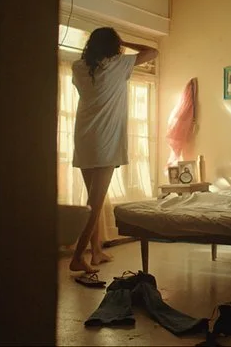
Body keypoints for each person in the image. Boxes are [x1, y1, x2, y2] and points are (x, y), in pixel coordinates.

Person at [69, 27, 158, 278]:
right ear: (114, 46)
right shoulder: (118, 64)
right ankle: (77, 257)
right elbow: (153, 51)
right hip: (105, 141)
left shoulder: (78, 67)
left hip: (85, 137)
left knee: (93, 200)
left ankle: (96, 251)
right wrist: (124, 41)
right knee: (95, 204)